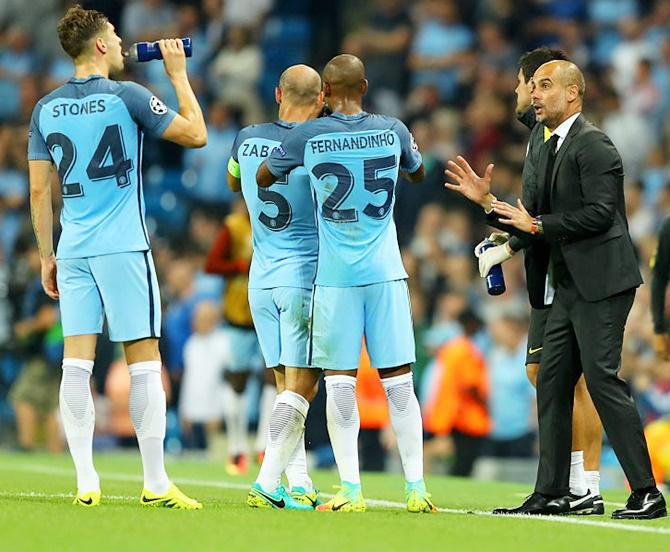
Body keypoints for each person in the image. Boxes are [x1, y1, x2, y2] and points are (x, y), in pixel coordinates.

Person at [450, 59, 666, 519]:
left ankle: (646, 491)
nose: (534, 94)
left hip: (603, 282)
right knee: (550, 381)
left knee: (603, 380)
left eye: (545, 86)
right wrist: (488, 203)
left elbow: (602, 214)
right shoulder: (545, 147)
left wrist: (538, 222)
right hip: (568, 282)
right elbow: (535, 226)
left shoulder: (595, 145)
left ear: (573, 93)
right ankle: (551, 492)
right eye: (532, 86)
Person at [27, 5, 206, 509]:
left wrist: (47, 255)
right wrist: (178, 76)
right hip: (124, 245)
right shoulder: (127, 95)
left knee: (75, 366)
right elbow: (196, 134)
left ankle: (86, 480)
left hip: (74, 248)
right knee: (144, 362)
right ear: (101, 45)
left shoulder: (45, 108)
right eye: (116, 35)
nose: (124, 42)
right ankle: (154, 482)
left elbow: (40, 194)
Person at [257, 54, 436, 514]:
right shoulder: (393, 129)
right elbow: (418, 171)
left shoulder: (307, 135)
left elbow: (263, 177)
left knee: (340, 385)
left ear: (325, 95)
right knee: (400, 382)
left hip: (335, 279)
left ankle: (351, 490)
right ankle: (416, 488)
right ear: (366, 85)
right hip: (386, 272)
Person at [469, 48, 605, 514]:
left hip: (568, 275)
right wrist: (498, 224)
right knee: (543, 375)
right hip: (545, 274)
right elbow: (532, 215)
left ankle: (585, 484)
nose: (518, 91)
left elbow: (549, 217)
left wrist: (507, 243)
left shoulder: (567, 141)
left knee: (574, 381)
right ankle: (570, 483)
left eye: (524, 83)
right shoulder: (540, 139)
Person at [225, 64, 324, 510]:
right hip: (302, 277)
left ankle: (298, 482)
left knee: (285, 383)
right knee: (303, 387)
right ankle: (268, 482)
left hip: (259, 278)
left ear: (278, 92)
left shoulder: (246, 138)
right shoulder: (322, 144)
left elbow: (232, 181)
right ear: (321, 100)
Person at [204, 197, 270, 475]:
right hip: (238, 313)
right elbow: (211, 265)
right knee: (238, 379)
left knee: (273, 377)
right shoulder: (233, 228)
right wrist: (240, 268)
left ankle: (264, 445)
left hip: (267, 311)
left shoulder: (273, 223)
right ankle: (237, 447)